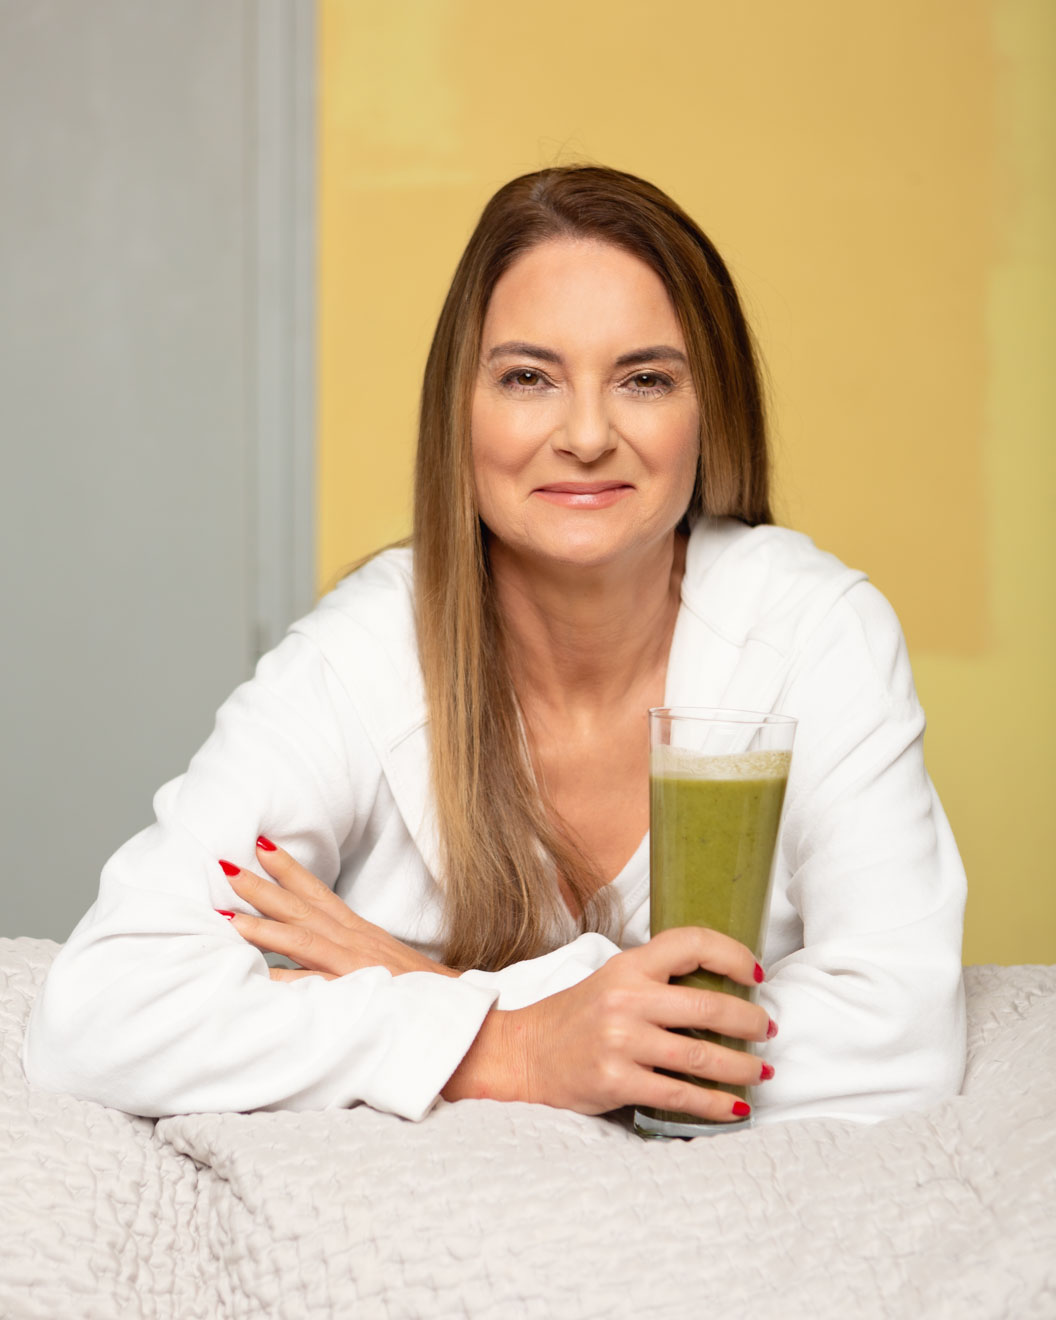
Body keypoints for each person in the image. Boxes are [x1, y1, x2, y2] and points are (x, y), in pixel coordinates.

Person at [23, 165, 966, 1128]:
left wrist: (445, 991)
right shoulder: (362, 657)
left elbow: (899, 1035)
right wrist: (512, 1047)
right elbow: (103, 1011)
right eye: (528, 378)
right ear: (459, 411)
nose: (589, 434)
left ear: (708, 410)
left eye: (645, 379)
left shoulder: (815, 632)